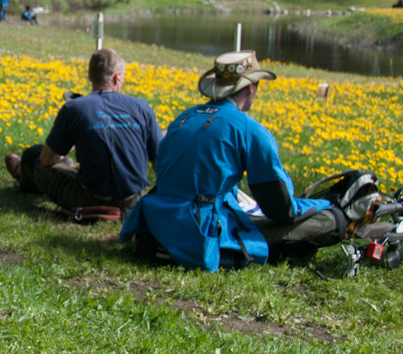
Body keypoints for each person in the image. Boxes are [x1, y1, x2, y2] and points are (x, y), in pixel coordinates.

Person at [119, 51, 345, 271]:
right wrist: (325, 203)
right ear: (250, 88)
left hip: (156, 222)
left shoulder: (183, 118)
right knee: (332, 221)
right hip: (201, 230)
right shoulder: (248, 128)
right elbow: (280, 208)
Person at [4, 48, 159, 216]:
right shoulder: (142, 107)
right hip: (134, 201)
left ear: (90, 75)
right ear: (117, 77)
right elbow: (159, 162)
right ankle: (65, 166)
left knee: (34, 156)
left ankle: (25, 177)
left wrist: (68, 147)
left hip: (87, 198)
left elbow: (46, 159)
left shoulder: (74, 108)